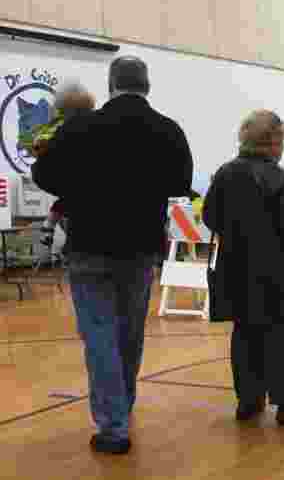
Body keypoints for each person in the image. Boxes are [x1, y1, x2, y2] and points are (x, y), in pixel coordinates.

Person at [31, 57, 193, 454]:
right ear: (147, 85)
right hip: (140, 248)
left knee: (99, 335)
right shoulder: (167, 130)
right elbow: (181, 182)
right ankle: (123, 404)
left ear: (110, 85)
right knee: (129, 335)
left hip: (88, 246)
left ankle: (113, 424)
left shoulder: (79, 127)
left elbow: (44, 177)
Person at [202, 111, 284, 425]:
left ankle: (249, 400)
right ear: (273, 142)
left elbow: (210, 218)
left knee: (245, 335)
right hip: (279, 273)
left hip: (237, 269)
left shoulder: (225, 174)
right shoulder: (281, 180)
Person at [31, 84, 96, 231]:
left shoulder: (67, 128)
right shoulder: (96, 123)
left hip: (72, 186)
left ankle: (50, 227)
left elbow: (44, 162)